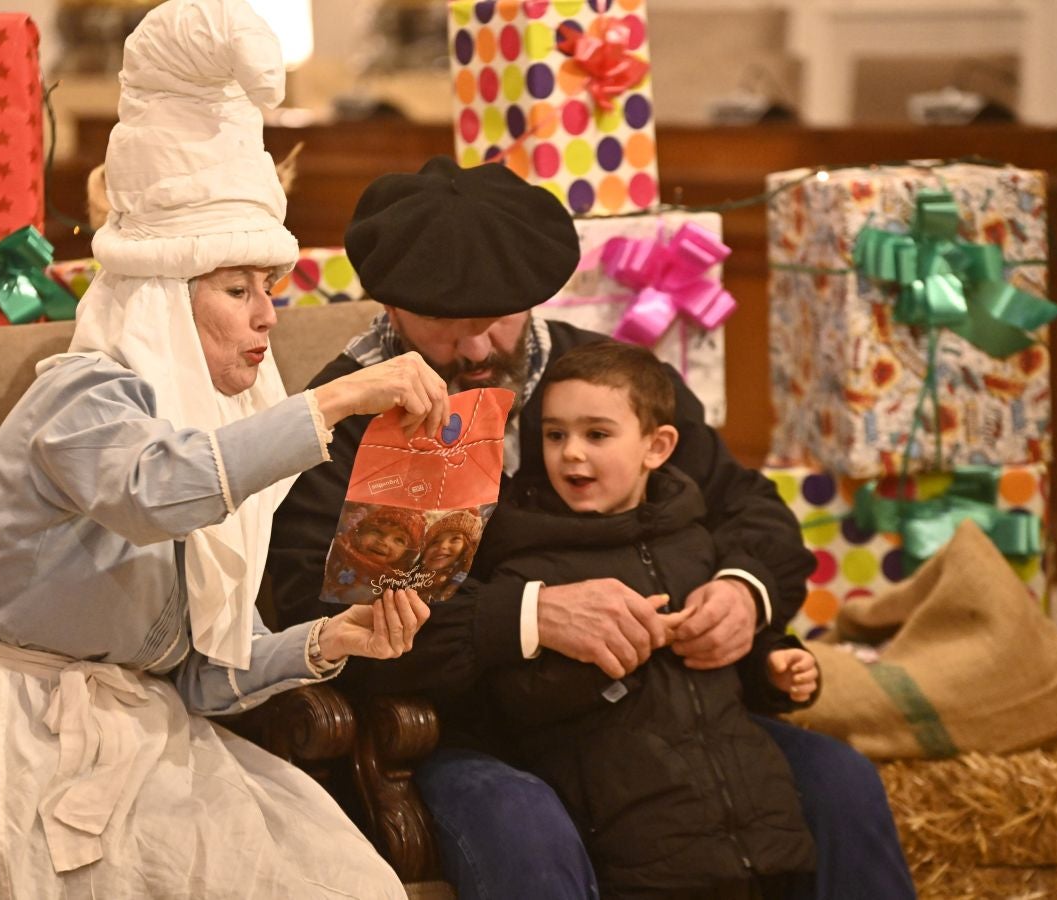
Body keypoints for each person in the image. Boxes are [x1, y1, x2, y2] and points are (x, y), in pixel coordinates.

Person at [0, 2, 449, 896]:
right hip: (10, 740)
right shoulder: (79, 398)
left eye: (271, 287)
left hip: (143, 737)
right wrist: (335, 400)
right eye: (236, 288)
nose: (267, 314)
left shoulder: (217, 438)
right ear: (160, 299)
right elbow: (155, 492)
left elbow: (195, 677)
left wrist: (325, 641)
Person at [264, 156, 916, 899]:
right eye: (445, 323)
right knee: (521, 824)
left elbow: (750, 511)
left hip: (653, 714)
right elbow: (324, 613)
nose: (475, 348)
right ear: (390, 303)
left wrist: (742, 593)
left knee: (841, 782)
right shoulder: (339, 418)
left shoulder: (606, 380)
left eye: (496, 319)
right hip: (467, 730)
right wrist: (531, 615)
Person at [476, 340, 821, 899]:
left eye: (597, 434)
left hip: (762, 836)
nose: (571, 454)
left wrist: (773, 662)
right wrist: (608, 659)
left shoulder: (692, 539)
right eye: (555, 434)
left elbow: (720, 665)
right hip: (640, 845)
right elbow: (514, 697)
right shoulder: (528, 560)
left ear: (657, 447)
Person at [324, 503, 426, 605]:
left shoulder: (398, 581)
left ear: (407, 553)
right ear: (360, 531)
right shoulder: (337, 552)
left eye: (399, 540)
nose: (383, 542)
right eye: (377, 531)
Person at [417, 509, 486, 604]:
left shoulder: (467, 583)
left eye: (455, 539)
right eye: (435, 542)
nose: (442, 546)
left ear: (469, 546)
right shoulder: (417, 579)